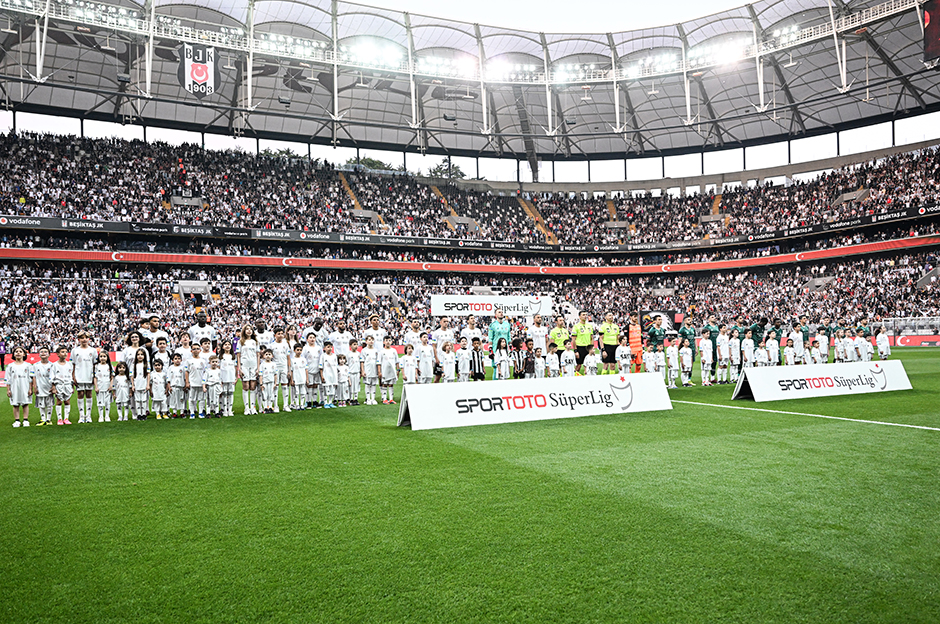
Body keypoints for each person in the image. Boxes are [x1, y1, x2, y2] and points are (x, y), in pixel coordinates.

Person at [7, 346, 32, 427]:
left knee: (25, 403)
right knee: (15, 404)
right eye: (16, 351)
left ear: (24, 354)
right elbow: (8, 379)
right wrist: (8, 390)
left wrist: (30, 388)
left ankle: (25, 420)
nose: (18, 353)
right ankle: (17, 420)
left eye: (20, 351)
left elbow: (30, 378)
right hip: (14, 386)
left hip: (25, 386)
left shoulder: (28, 365)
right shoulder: (10, 366)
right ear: (13, 354)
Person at [237, 325, 259, 414]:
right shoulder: (241, 342)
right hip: (244, 365)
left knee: (253, 386)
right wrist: (239, 368)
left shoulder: (255, 342)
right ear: (244, 331)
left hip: (253, 365)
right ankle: (246, 407)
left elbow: (258, 355)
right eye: (247, 329)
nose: (249, 331)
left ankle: (253, 407)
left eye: (250, 329)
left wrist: (258, 368)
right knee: (245, 386)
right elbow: (238, 355)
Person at [269, 328, 293, 412]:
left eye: (282, 333)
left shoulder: (286, 344)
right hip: (275, 367)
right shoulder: (271, 345)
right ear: (275, 335)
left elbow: (288, 358)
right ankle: (275, 406)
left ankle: (285, 405)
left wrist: (289, 370)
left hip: (284, 367)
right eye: (278, 333)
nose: (280, 335)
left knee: (285, 385)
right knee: (275, 386)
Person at [52, 345, 74, 425]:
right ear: (58, 354)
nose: (64, 353)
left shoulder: (69, 364)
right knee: (59, 401)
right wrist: (53, 387)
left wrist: (72, 386)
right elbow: (52, 376)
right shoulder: (54, 365)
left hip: (68, 385)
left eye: (66, 352)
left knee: (67, 401)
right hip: (59, 385)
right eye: (62, 352)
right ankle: (59, 419)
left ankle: (66, 418)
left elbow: (71, 375)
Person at [33, 347, 54, 426]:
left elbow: (53, 377)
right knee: (41, 404)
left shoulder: (52, 365)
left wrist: (53, 387)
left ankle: (48, 419)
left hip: (48, 387)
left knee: (49, 404)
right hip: (40, 387)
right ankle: (43, 419)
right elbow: (34, 376)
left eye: (45, 351)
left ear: (49, 354)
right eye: (41, 351)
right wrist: (35, 387)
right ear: (39, 354)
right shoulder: (35, 365)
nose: (43, 353)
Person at [432, 318, 455, 383]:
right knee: (437, 378)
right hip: (440, 357)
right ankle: (435, 392)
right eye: (444, 321)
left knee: (448, 376)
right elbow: (434, 346)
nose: (446, 323)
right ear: (440, 322)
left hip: (448, 358)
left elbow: (452, 345)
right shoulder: (436, 333)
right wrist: (436, 358)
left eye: (447, 321)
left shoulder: (450, 332)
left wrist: (452, 355)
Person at [302, 333, 322, 408]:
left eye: (313, 337)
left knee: (315, 385)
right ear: (307, 339)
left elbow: (321, 358)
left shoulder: (318, 348)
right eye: (310, 337)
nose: (312, 339)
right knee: (309, 386)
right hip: (309, 369)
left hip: (317, 369)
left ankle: (315, 401)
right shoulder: (305, 348)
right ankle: (308, 401)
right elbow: (303, 358)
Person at [187, 343, 207, 418]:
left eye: (197, 349)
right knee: (192, 398)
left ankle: (201, 412)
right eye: (194, 349)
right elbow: (187, 372)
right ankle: (192, 412)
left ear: (200, 350)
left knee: (201, 398)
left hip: (201, 382)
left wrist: (204, 382)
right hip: (192, 382)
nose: (196, 350)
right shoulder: (189, 361)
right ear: (191, 351)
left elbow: (205, 372)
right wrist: (187, 382)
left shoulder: (203, 361)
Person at [92, 351, 113, 423]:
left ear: (107, 357)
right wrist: (96, 387)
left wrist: (111, 385)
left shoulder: (109, 366)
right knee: (100, 402)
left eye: (104, 356)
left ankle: (107, 415)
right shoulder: (96, 366)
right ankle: (101, 416)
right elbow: (95, 377)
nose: (102, 358)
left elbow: (112, 377)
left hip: (107, 387)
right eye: (101, 356)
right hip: (100, 387)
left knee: (107, 402)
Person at [379, 336, 399, 404]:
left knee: (391, 384)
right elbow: (379, 362)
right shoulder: (381, 351)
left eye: (389, 340)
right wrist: (379, 372)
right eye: (386, 340)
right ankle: (384, 399)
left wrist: (398, 370)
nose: (388, 342)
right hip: (384, 370)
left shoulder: (394, 351)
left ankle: (391, 399)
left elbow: (397, 361)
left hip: (392, 371)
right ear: (383, 342)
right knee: (384, 384)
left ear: (391, 341)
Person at [219, 341, 237, 417]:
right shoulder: (220, 356)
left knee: (231, 393)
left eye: (229, 344)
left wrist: (236, 377)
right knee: (224, 393)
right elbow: (218, 368)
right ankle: (224, 409)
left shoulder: (233, 356)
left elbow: (235, 367)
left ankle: (230, 409)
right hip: (223, 377)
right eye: (225, 345)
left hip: (231, 377)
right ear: (222, 347)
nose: (227, 346)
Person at [360, 335, 380, 405]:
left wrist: (379, 370)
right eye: (369, 340)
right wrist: (362, 370)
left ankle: (373, 399)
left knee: (374, 384)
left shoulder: (376, 350)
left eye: (372, 340)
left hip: (374, 370)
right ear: (366, 341)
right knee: (368, 384)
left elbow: (378, 361)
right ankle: (368, 399)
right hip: (367, 369)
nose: (371, 341)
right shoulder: (364, 350)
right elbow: (362, 361)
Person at [131, 348, 150, 420]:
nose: (140, 356)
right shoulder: (133, 365)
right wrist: (133, 385)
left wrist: (148, 384)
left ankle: (143, 414)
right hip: (137, 385)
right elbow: (132, 376)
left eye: (142, 354)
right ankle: (139, 414)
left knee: (144, 400)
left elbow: (148, 374)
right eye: (138, 354)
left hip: (144, 385)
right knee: (137, 400)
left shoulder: (146, 364)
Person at [167, 352, 187, 419]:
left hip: (181, 386)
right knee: (173, 400)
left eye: (179, 358)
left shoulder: (183, 368)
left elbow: (185, 377)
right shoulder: (170, 368)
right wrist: (169, 387)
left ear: (181, 360)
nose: (177, 360)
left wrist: (185, 385)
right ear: (172, 360)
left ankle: (182, 412)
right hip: (173, 386)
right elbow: (168, 378)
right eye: (175, 359)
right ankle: (174, 412)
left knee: (181, 399)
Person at [289, 343, 308, 411]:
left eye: (300, 350)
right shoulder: (292, 360)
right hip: (296, 378)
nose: (299, 351)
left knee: (303, 392)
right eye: (297, 350)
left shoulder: (303, 359)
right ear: (294, 350)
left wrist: (307, 379)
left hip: (302, 378)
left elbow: (306, 369)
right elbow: (291, 370)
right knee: (296, 392)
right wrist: (291, 380)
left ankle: (302, 405)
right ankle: (297, 404)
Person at [320, 342, 338, 409]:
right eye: (328, 347)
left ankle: (330, 402)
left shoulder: (334, 356)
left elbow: (336, 366)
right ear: (324, 348)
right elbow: (321, 367)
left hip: (333, 375)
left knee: (332, 390)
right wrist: (322, 376)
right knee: (326, 390)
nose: (330, 348)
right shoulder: (323, 356)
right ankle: (325, 402)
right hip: (326, 374)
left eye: (331, 347)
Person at [346, 339, 361, 406]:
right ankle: (350, 399)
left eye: (356, 344)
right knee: (351, 386)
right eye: (354, 344)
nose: (356, 346)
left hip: (357, 372)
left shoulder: (358, 354)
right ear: (350, 346)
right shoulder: (348, 354)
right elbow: (347, 364)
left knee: (356, 386)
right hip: (351, 372)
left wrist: (360, 371)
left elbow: (360, 363)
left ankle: (355, 398)